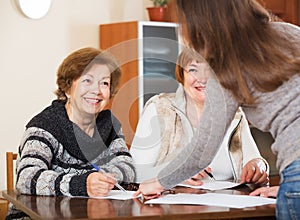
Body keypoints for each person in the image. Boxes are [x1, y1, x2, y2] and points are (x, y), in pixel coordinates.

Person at [134, 1, 300, 219]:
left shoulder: (226, 65)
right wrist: (289, 186)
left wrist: (158, 182)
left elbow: (202, 151)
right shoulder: (289, 32)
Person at [7, 47, 135, 219]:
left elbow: (128, 166)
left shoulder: (108, 125)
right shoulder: (45, 126)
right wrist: (83, 183)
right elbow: (26, 178)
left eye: (104, 83)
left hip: (91, 214)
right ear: (67, 88)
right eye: (87, 81)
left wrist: (101, 179)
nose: (96, 90)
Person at [130, 47, 269, 186]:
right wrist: (174, 173)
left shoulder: (234, 114)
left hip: (225, 203)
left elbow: (253, 158)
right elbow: (133, 172)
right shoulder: (160, 108)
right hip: (172, 204)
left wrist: (259, 166)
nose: (202, 78)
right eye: (193, 70)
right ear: (181, 75)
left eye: (210, 70)